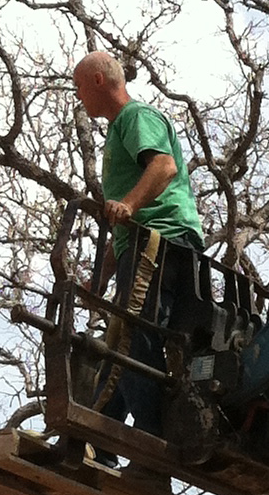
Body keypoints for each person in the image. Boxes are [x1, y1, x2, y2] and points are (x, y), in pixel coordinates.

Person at [70, 51, 206, 436]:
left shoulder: (135, 116)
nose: (78, 95)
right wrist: (101, 277)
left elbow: (164, 166)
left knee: (131, 341)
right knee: (120, 343)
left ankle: (154, 444)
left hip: (159, 242)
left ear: (98, 80)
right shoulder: (119, 130)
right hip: (149, 242)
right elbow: (125, 227)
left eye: (79, 86)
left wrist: (127, 204)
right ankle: (100, 444)